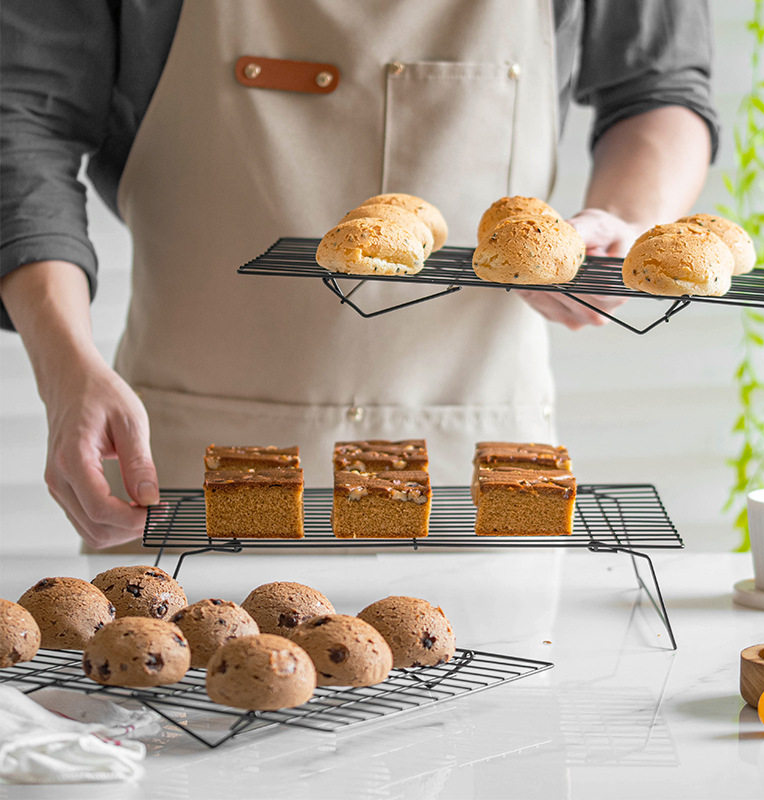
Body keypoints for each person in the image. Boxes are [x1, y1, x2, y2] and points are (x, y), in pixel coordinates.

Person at [0, 1, 717, 550]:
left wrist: (621, 219)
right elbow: (24, 116)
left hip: (482, 464)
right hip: (186, 464)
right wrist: (66, 369)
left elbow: (659, 85)